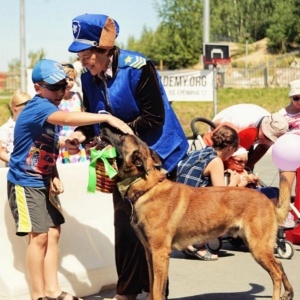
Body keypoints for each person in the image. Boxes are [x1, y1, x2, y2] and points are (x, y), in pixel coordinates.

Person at [67, 14, 189, 300]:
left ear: (105, 48)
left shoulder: (138, 67)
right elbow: (91, 121)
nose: (83, 61)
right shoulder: (87, 77)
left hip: (155, 155)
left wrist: (115, 128)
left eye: (87, 54)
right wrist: (80, 136)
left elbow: (154, 117)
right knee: (124, 225)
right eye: (79, 55)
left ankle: (156, 293)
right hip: (120, 161)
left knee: (153, 231)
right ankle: (127, 292)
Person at [6, 59, 133, 300]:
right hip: (25, 182)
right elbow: (66, 119)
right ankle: (38, 295)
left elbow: (41, 145)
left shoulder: (47, 108)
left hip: (44, 179)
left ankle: (53, 290)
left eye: (64, 86)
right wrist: (105, 118)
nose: (60, 92)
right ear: (38, 88)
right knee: (39, 237)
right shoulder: (39, 106)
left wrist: (62, 152)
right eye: (54, 87)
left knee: (53, 233)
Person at [176, 125, 241, 260]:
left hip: (178, 206)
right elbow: (222, 196)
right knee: (228, 218)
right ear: (230, 148)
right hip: (190, 212)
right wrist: (235, 182)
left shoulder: (198, 153)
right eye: (235, 149)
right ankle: (195, 244)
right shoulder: (215, 161)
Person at [224, 147, 295, 228]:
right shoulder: (229, 173)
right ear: (229, 160)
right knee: (270, 192)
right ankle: (273, 216)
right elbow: (231, 191)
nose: (243, 164)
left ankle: (281, 214)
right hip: (243, 197)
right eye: (239, 161)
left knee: (277, 190)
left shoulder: (245, 171)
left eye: (245, 162)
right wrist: (246, 181)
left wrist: (254, 181)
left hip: (251, 194)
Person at [203, 104, 289, 170]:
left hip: (246, 137)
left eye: (271, 139)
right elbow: (216, 125)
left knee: (243, 166)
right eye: (267, 137)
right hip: (222, 130)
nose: (267, 141)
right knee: (227, 165)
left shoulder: (276, 127)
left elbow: (263, 147)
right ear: (263, 126)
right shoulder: (243, 121)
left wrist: (247, 168)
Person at [57, 63, 88, 164]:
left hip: (77, 142)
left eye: (71, 79)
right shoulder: (56, 100)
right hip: (62, 143)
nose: (69, 83)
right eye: (66, 79)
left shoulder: (78, 96)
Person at [278, 79, 300, 192]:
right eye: (296, 98)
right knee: (285, 190)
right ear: (290, 97)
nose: (299, 101)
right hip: (288, 155)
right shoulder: (282, 114)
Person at [0, 89, 31, 166]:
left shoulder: (31, 125)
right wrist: (15, 162)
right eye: (25, 109)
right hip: (15, 170)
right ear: (15, 109)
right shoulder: (6, 129)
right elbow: (1, 152)